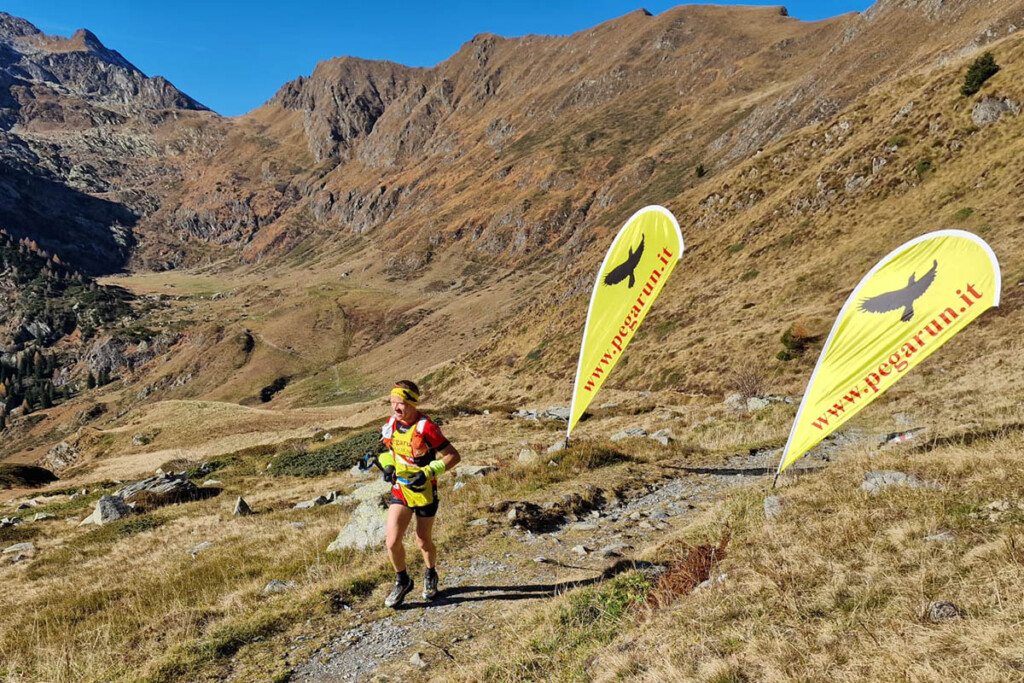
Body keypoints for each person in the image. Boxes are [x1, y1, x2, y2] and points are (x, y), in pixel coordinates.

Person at [378, 380, 460, 608]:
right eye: (392, 403)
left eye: (400, 403)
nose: (395, 408)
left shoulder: (427, 428)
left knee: (423, 540)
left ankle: (430, 573)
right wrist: (388, 467)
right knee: (392, 541)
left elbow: (453, 456)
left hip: (424, 491)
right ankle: (402, 581)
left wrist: (428, 472)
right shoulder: (392, 424)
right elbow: (389, 452)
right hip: (401, 489)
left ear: (413, 403)